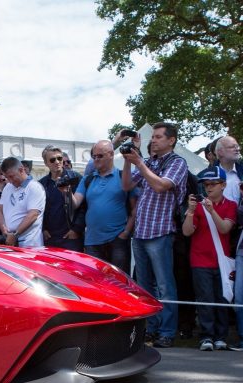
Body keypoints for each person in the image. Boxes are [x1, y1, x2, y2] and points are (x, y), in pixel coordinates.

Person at [121, 122, 188, 348]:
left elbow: (161, 186)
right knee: (144, 285)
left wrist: (139, 162)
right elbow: (127, 185)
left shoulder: (177, 162)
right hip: (141, 232)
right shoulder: (149, 162)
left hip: (160, 232)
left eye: (159, 137)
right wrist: (130, 161)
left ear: (171, 140)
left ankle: (167, 332)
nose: (154, 140)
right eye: (153, 137)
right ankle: (150, 329)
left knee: (165, 285)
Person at [182, 167, 236, 351]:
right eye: (206, 185)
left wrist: (212, 211)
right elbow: (187, 231)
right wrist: (190, 211)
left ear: (223, 185)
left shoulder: (231, 205)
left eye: (213, 184)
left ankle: (221, 336)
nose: (209, 188)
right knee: (205, 299)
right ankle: (206, 336)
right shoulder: (197, 206)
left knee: (222, 299)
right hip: (199, 260)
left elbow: (224, 228)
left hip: (222, 262)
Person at [72, 140, 135, 273]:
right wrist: (65, 192)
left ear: (111, 154)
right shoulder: (88, 179)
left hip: (117, 240)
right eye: (94, 156)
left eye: (100, 156)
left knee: (120, 283)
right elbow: (75, 203)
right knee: (97, 284)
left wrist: (125, 233)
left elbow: (135, 208)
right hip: (92, 242)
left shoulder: (123, 176)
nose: (96, 159)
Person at [38, 146, 84, 252]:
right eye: (52, 160)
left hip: (72, 237)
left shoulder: (75, 178)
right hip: (50, 238)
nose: (57, 162)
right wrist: (43, 229)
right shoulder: (41, 184)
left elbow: (83, 207)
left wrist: (76, 229)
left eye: (59, 158)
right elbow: (39, 210)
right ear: (46, 163)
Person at [0, 157, 45, 247]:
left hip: (29, 244)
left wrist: (15, 234)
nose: (9, 180)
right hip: (9, 241)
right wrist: (4, 231)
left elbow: (33, 214)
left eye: (11, 176)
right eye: (7, 177)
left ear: (21, 170)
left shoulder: (34, 187)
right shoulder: (8, 187)